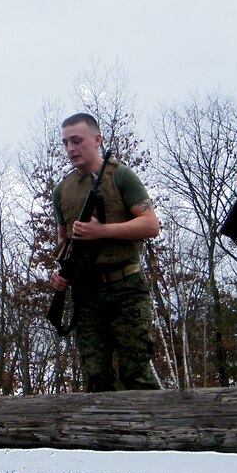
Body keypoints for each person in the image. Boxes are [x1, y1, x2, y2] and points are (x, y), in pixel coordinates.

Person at [50, 113, 162, 393]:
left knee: (136, 374)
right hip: (86, 295)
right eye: (65, 143)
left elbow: (150, 225)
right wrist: (60, 273)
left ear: (97, 140)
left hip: (125, 289)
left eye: (77, 141)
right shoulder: (62, 191)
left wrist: (103, 231)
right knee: (97, 378)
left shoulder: (120, 176)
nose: (70, 148)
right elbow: (63, 241)